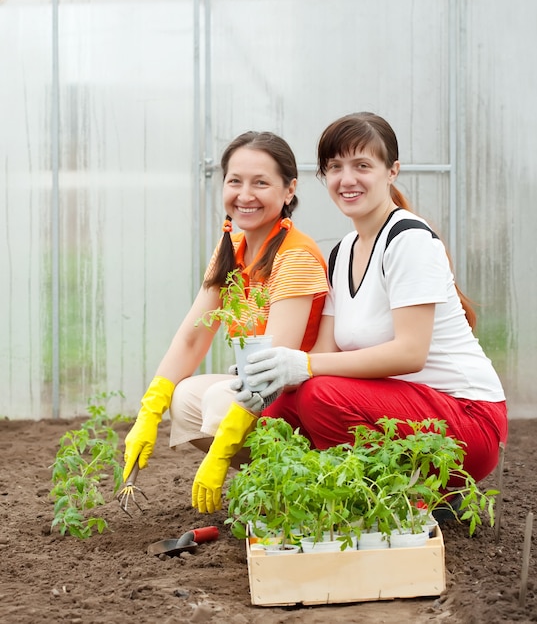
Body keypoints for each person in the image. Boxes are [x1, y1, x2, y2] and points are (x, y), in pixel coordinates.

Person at [232, 111, 508, 494]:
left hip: (465, 421)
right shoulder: (342, 252)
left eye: (362, 165)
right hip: (404, 410)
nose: (347, 179)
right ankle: (300, 500)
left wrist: (303, 365)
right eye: (335, 167)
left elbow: (411, 353)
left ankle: (388, 499)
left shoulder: (408, 240)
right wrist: (269, 380)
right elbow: (325, 351)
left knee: (319, 395)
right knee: (276, 415)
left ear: (392, 171)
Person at [122, 131, 328, 510]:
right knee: (184, 398)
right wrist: (149, 411)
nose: (244, 195)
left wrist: (219, 454)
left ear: (289, 190)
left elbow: (273, 368)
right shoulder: (233, 247)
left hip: (303, 397)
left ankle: (307, 477)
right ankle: (278, 478)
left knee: (218, 399)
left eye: (260, 183)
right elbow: (192, 339)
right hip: (266, 395)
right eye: (235, 181)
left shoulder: (295, 256)